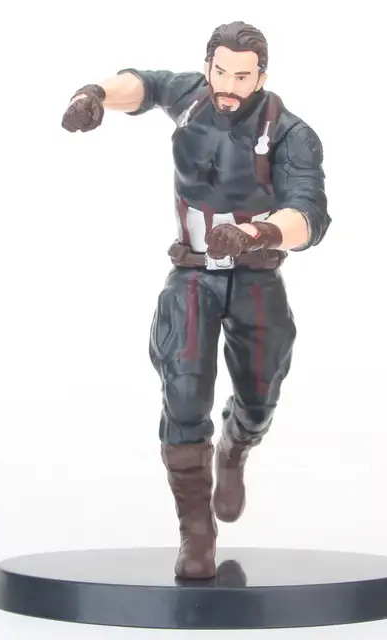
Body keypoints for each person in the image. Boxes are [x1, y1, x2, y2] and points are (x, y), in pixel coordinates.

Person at [61, 21, 331, 580]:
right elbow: (144, 84)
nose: (228, 85)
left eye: (242, 76)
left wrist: (256, 234)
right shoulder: (192, 99)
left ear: (261, 76)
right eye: (220, 72)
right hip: (192, 274)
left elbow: (309, 215)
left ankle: (236, 444)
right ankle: (196, 532)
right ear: (208, 66)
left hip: (255, 275)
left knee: (260, 394)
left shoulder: (290, 133)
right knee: (182, 392)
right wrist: (95, 95)